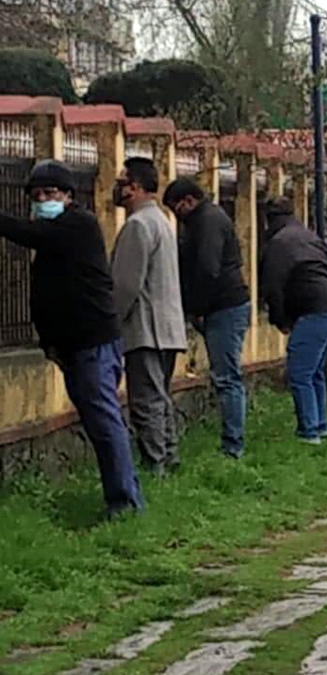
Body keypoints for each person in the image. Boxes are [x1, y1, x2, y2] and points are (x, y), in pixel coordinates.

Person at [0, 161, 145, 518]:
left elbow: (30, 235)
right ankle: (121, 496)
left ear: (67, 195)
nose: (43, 200)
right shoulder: (57, 232)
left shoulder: (77, 225)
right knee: (100, 422)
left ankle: (125, 502)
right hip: (73, 346)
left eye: (50, 193)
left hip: (92, 343)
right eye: (36, 196)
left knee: (104, 421)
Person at [164, 177, 251, 460]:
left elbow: (207, 268)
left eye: (177, 208)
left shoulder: (208, 222)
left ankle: (233, 447)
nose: (177, 216)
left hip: (223, 306)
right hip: (222, 305)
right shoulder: (207, 219)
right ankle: (231, 442)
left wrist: (197, 307)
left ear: (188, 201)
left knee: (227, 377)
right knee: (225, 375)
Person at [112, 158, 188, 477]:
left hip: (145, 328)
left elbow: (126, 283)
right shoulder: (162, 221)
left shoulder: (138, 226)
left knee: (146, 402)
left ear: (137, 187)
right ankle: (169, 457)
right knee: (160, 398)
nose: (118, 187)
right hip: (167, 327)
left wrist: (112, 321)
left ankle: (155, 465)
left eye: (123, 181)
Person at [260, 198, 327, 445]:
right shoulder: (309, 236)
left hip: (314, 310)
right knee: (315, 370)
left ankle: (309, 432)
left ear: (269, 219)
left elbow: (272, 288)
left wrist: (281, 319)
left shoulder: (278, 243)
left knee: (299, 372)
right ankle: (321, 425)